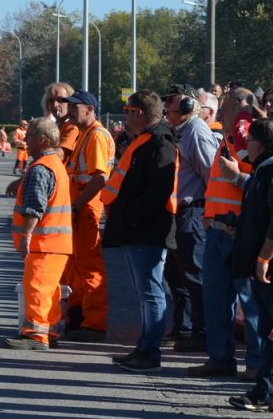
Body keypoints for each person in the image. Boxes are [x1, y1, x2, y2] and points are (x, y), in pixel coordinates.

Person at [102, 90, 178, 372]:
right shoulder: (148, 140)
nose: (124, 118)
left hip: (148, 229)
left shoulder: (159, 142)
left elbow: (160, 187)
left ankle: (150, 352)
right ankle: (144, 348)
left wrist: (133, 214)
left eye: (127, 111)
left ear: (138, 113)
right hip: (140, 228)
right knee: (146, 291)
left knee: (150, 291)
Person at [189, 86, 261, 380]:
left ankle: (256, 363)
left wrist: (237, 175)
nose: (224, 115)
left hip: (239, 231)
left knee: (250, 300)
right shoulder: (228, 140)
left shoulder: (254, 141)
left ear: (245, 108)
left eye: (230, 108)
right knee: (216, 299)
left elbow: (262, 183)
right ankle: (220, 359)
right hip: (217, 229)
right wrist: (208, 214)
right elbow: (216, 182)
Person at [225, 119, 273, 412]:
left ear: (261, 144)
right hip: (265, 265)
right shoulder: (266, 172)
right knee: (271, 332)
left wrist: (264, 257)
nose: (244, 146)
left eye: (249, 140)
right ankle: (267, 390)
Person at [4, 117, 72, 351]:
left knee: (36, 286)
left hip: (44, 242)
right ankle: (49, 330)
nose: (25, 139)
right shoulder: (54, 164)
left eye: (29, 135)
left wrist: (26, 236)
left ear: (42, 140)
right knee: (49, 289)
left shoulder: (40, 168)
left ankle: (35, 335)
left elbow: (35, 208)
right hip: (57, 242)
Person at [159, 84, 217, 353]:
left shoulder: (196, 131)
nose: (166, 107)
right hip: (177, 213)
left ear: (187, 106)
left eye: (171, 103)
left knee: (193, 274)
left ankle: (202, 332)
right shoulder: (179, 131)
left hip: (192, 211)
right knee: (176, 274)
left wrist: (208, 213)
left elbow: (211, 175)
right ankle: (183, 328)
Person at [62, 90, 115, 343]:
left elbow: (99, 178)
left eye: (75, 107)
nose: (70, 111)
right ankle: (78, 317)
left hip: (86, 209)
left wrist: (76, 206)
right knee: (77, 267)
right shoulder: (85, 133)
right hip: (80, 207)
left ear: (89, 109)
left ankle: (94, 324)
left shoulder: (95, 135)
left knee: (90, 267)